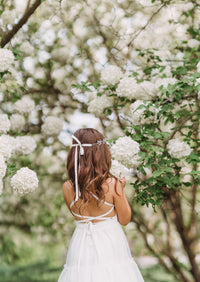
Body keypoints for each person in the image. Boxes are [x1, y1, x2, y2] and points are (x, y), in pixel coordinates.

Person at [58, 128, 144, 282]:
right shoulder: (113, 184)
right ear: (102, 153)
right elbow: (124, 219)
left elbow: (80, 215)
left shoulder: (68, 187)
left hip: (81, 244)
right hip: (110, 242)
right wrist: (121, 190)